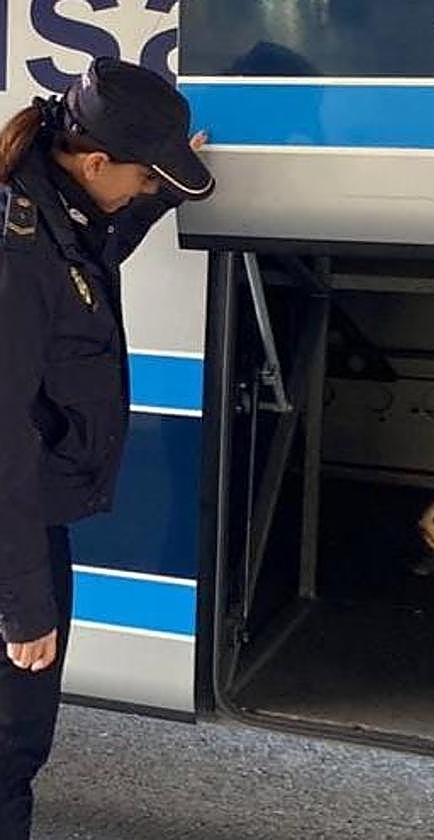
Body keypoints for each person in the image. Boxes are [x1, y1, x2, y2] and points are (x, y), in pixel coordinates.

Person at [0, 57, 214, 838]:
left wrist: (150, 201)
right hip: (9, 530)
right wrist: (23, 608)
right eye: (145, 177)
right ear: (94, 161)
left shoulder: (52, 211)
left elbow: (88, 259)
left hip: (26, 519)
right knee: (8, 747)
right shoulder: (16, 250)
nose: (148, 189)